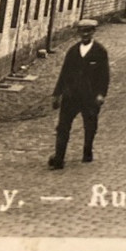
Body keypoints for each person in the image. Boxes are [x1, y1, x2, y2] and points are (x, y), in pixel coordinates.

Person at [49, 19, 109, 169]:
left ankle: (87, 151)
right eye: (82, 31)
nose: (85, 34)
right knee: (63, 127)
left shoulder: (99, 52)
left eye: (88, 31)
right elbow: (64, 73)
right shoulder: (73, 51)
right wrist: (57, 94)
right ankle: (59, 158)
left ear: (93, 32)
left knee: (90, 126)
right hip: (71, 96)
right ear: (79, 33)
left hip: (90, 97)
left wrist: (101, 94)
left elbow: (104, 75)